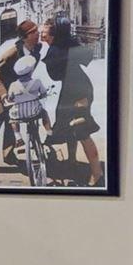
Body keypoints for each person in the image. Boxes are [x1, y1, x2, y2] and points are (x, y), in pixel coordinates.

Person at [42, 15, 103, 187]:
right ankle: (71, 161)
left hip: (78, 91)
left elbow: (55, 75)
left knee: (82, 131)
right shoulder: (61, 47)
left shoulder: (57, 50)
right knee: (69, 126)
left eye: (44, 33)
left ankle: (97, 174)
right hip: (73, 88)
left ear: (54, 35)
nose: (41, 36)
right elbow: (87, 57)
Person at [0, 19, 41, 180]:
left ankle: (9, 156)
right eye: (34, 32)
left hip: (18, 96)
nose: (38, 34)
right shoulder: (11, 53)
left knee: (11, 129)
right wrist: (3, 95)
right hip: (1, 99)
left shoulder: (37, 49)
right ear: (24, 37)